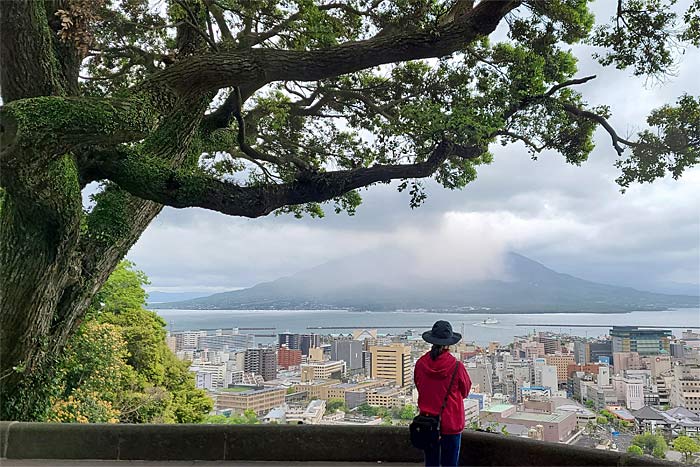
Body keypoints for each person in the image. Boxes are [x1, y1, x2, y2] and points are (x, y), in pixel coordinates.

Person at [414, 320, 472, 467]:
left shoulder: (421, 363)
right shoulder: (456, 366)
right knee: (450, 463)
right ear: (449, 344)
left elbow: (419, 386)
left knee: (431, 462)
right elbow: (465, 390)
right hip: (451, 421)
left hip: (428, 422)